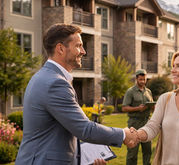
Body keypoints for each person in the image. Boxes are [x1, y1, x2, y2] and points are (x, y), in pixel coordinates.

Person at [15, 23, 138, 165]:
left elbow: (61, 132)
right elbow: (85, 129)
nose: (83, 51)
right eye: (78, 46)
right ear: (60, 49)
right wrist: (123, 134)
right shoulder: (55, 83)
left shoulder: (45, 77)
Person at [122, 69, 154, 165]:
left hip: (147, 123)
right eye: (140, 79)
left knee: (148, 151)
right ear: (136, 79)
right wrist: (137, 108)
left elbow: (151, 105)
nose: (143, 82)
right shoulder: (130, 91)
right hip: (134, 123)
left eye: (144, 79)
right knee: (132, 152)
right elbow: (124, 108)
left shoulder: (148, 91)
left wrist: (153, 107)